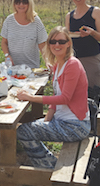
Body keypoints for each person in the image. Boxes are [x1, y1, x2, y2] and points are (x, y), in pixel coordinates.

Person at [16, 26, 91, 169]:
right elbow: (56, 96)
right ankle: (44, 162)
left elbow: (65, 99)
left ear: (68, 43)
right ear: (48, 44)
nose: (57, 45)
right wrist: (46, 120)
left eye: (61, 41)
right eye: (53, 41)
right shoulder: (58, 64)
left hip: (76, 126)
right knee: (28, 128)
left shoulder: (72, 64)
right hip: (64, 121)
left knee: (23, 132)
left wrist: (31, 98)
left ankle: (48, 167)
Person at [65, 0, 100, 90]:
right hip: (74, 59)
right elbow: (67, 39)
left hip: (90, 58)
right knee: (75, 90)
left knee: (93, 89)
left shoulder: (95, 11)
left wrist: (92, 33)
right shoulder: (69, 16)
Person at [0, 0, 48, 69]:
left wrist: (47, 61)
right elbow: (4, 42)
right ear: (14, 4)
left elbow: (42, 44)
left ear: (29, 3)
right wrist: (7, 56)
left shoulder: (36, 21)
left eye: (24, 1)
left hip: (31, 68)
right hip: (13, 68)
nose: (21, 4)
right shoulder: (9, 20)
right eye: (17, 1)